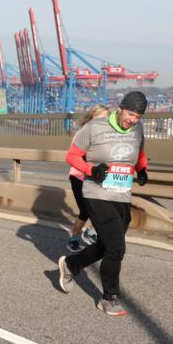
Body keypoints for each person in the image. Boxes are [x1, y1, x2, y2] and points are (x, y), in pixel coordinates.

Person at [57, 91, 149, 317]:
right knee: (117, 248)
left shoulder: (137, 129)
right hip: (97, 192)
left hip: (122, 194)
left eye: (138, 116)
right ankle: (109, 298)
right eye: (130, 114)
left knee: (109, 244)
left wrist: (142, 169)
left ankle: (71, 265)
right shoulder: (94, 127)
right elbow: (72, 156)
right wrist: (91, 170)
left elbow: (141, 153)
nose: (133, 120)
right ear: (121, 108)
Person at [66, 105, 109, 253]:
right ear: (91, 119)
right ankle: (73, 239)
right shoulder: (83, 133)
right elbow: (74, 156)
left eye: (106, 118)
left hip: (96, 177)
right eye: (100, 118)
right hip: (79, 176)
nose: (103, 121)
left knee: (101, 208)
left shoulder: (107, 135)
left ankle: (90, 232)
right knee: (85, 210)